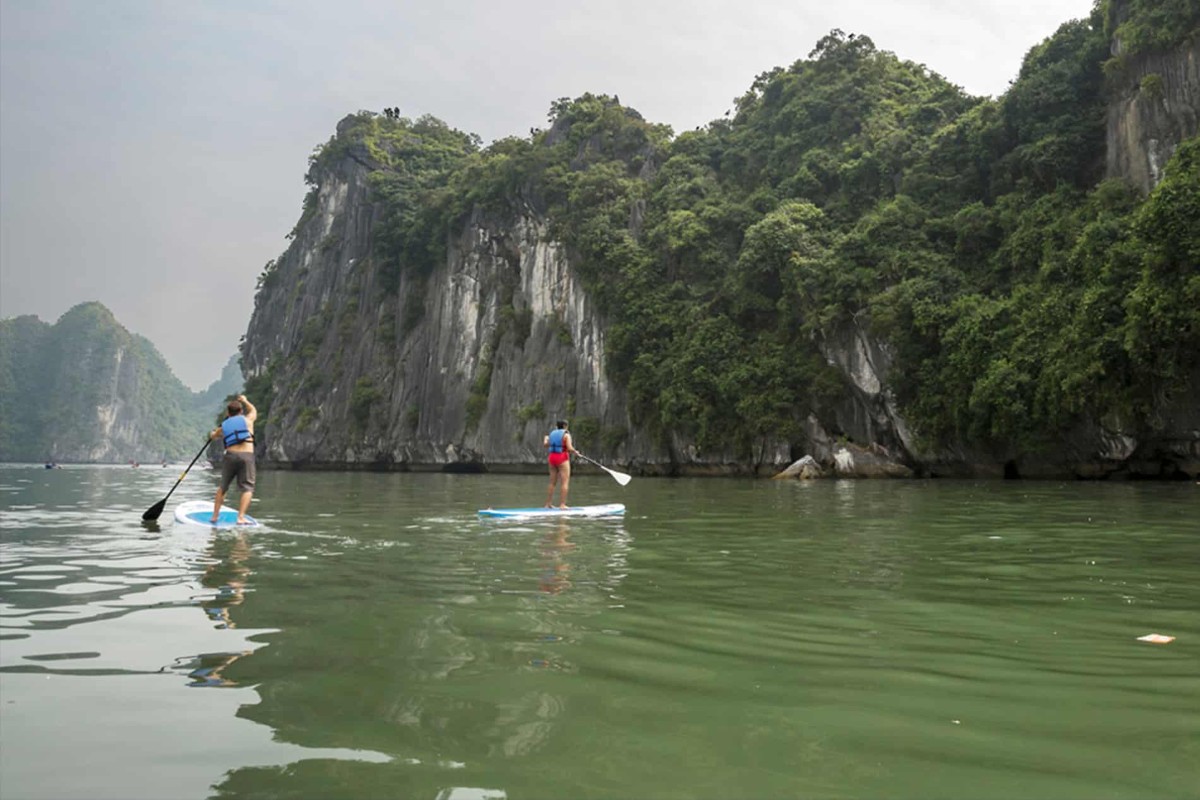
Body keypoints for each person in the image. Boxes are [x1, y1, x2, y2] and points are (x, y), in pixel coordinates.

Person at [210, 394, 257, 525]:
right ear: (241, 411)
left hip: (230, 456)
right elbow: (253, 411)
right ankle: (240, 517)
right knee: (248, 488)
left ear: (228, 413)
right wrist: (246, 400)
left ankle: (214, 516)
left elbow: (214, 436)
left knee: (223, 487)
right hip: (247, 456)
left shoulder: (224, 426)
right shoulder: (248, 421)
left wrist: (212, 434)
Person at [543, 419, 578, 509]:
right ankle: (562, 505)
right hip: (562, 458)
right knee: (564, 482)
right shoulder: (566, 435)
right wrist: (575, 451)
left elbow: (546, 444)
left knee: (552, 482)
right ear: (565, 426)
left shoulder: (552, 434)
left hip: (552, 458)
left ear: (557, 426)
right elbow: (569, 448)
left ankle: (548, 504)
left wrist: (546, 439)